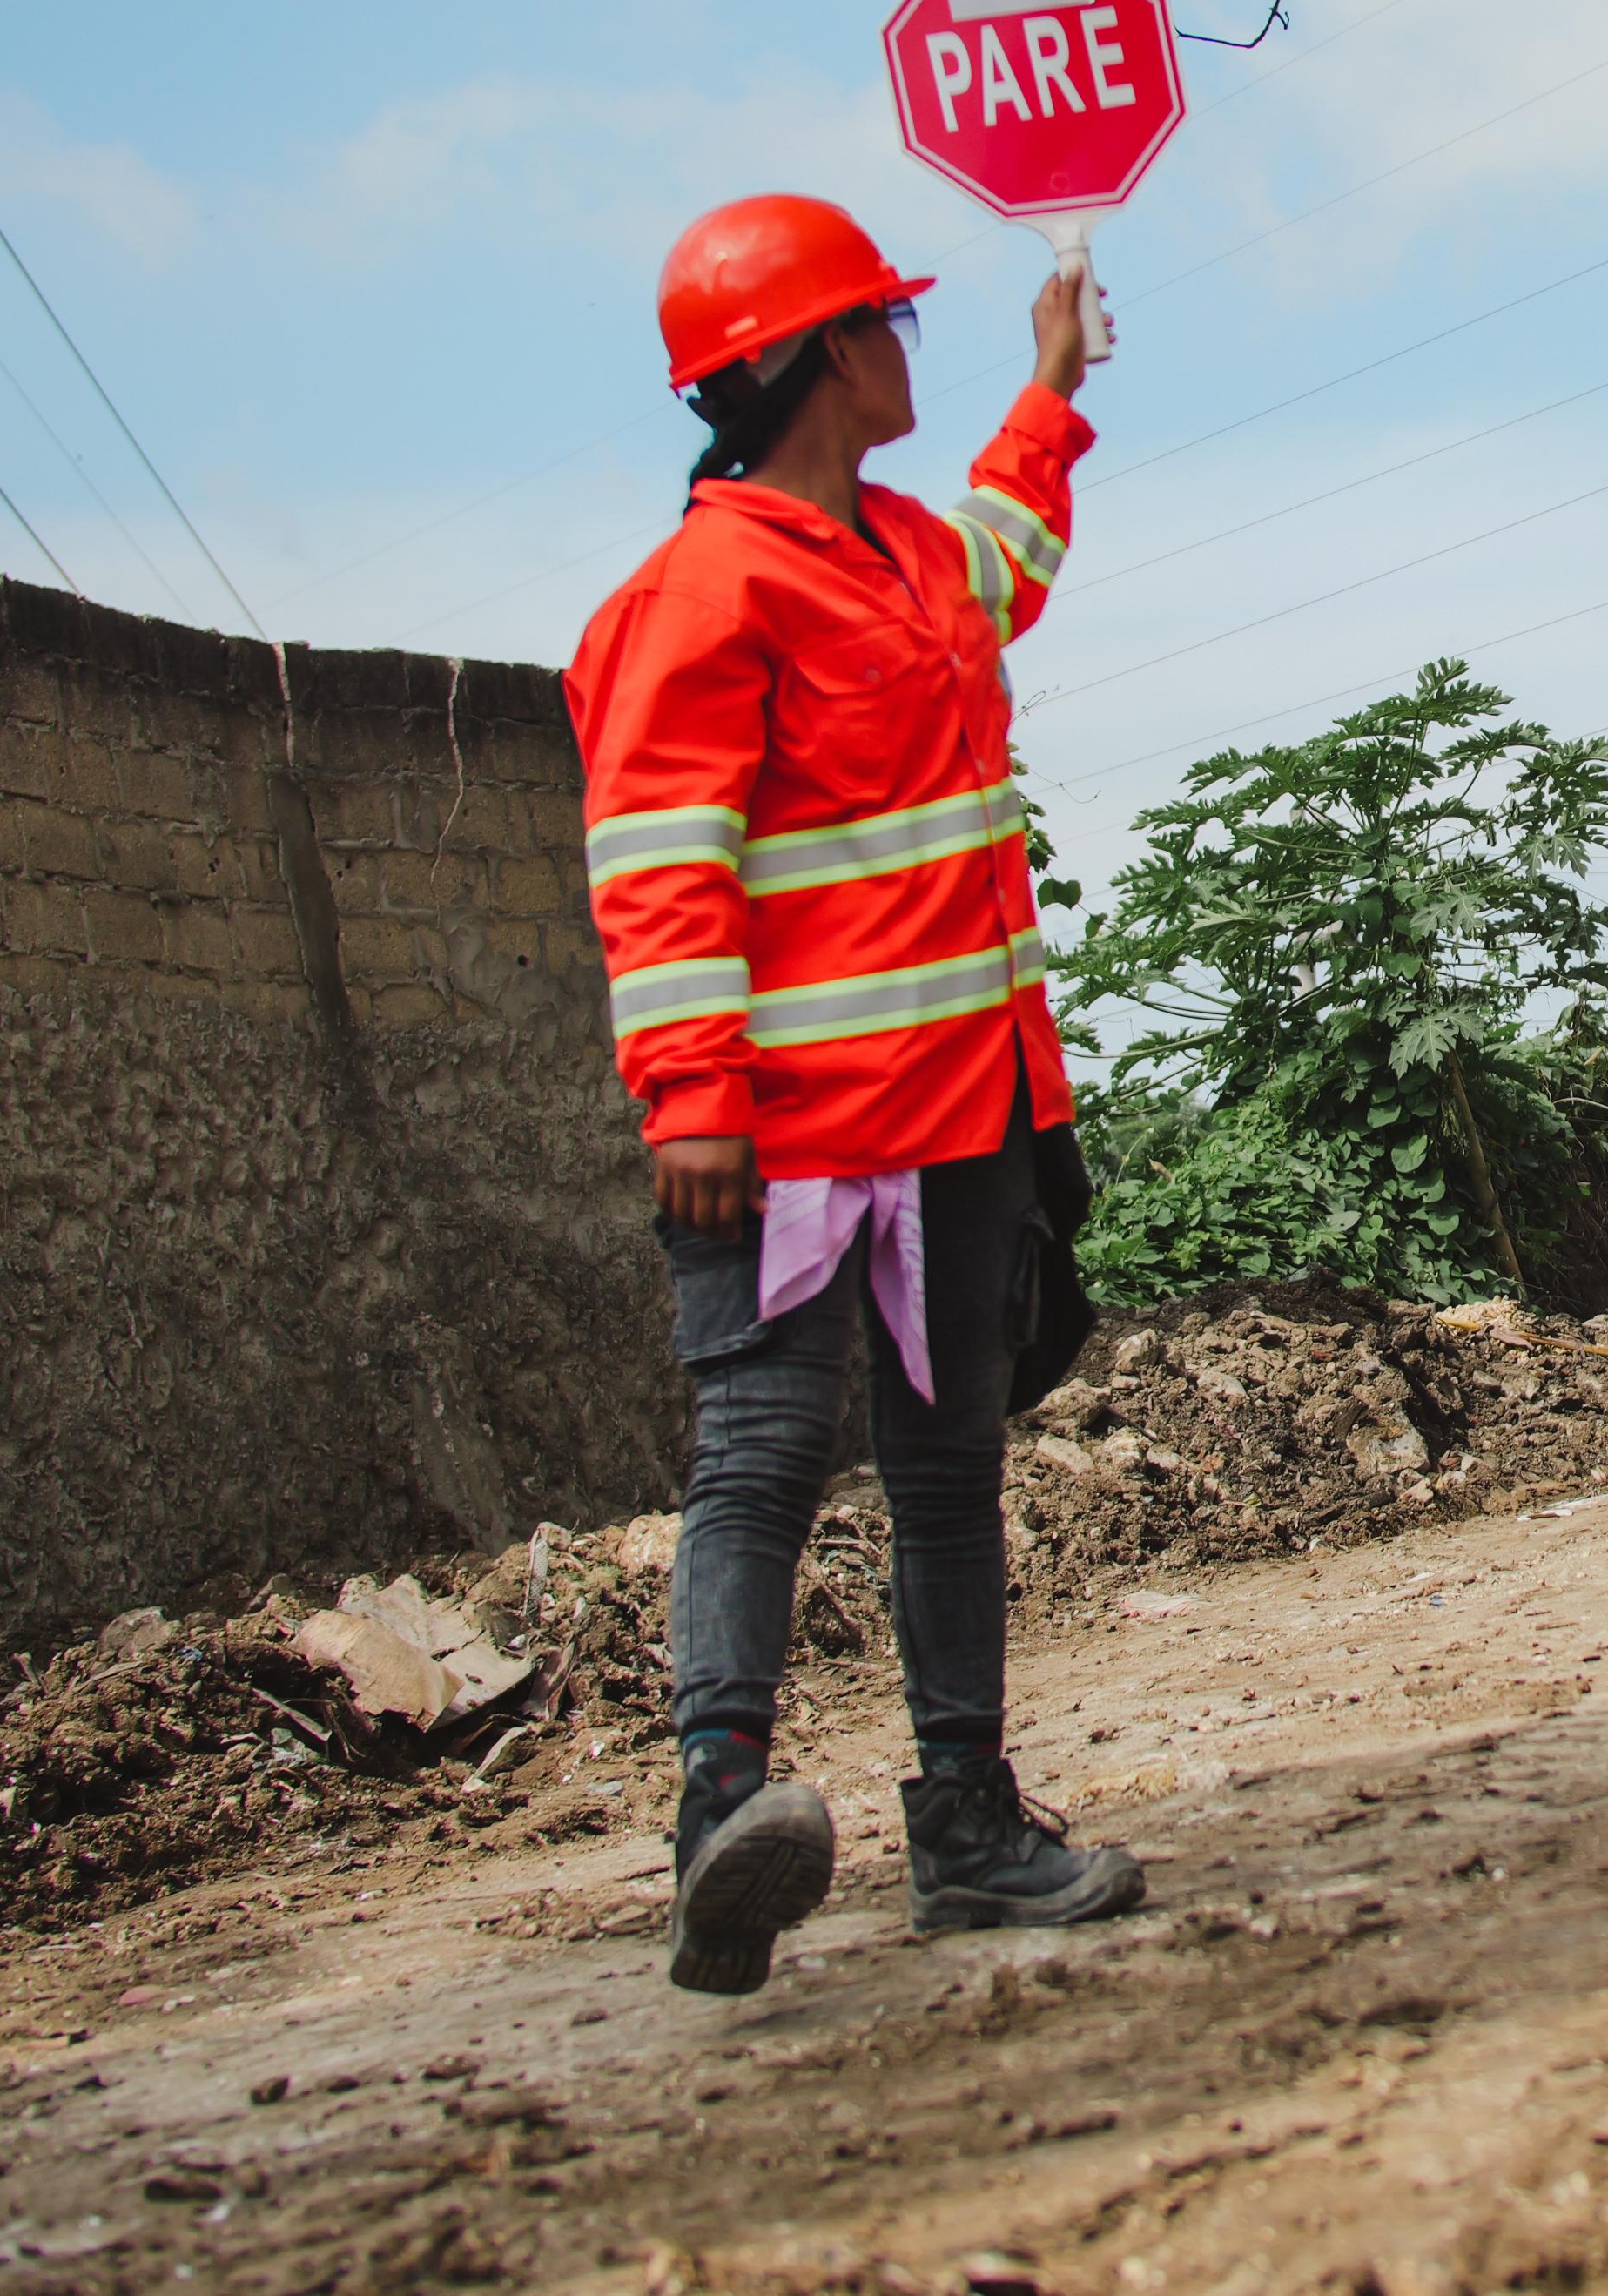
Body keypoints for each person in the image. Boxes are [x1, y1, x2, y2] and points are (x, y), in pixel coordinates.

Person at [566, 195, 1145, 1996]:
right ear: (827, 355)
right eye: (889, 319)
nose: (913, 341)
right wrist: (692, 1106)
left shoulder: (901, 552)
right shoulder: (697, 597)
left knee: (946, 1464)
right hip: (786, 1138)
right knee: (754, 1461)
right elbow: (659, 864)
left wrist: (1051, 387)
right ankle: (718, 1815)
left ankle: (964, 1824)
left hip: (963, 1110)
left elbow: (1008, 555)